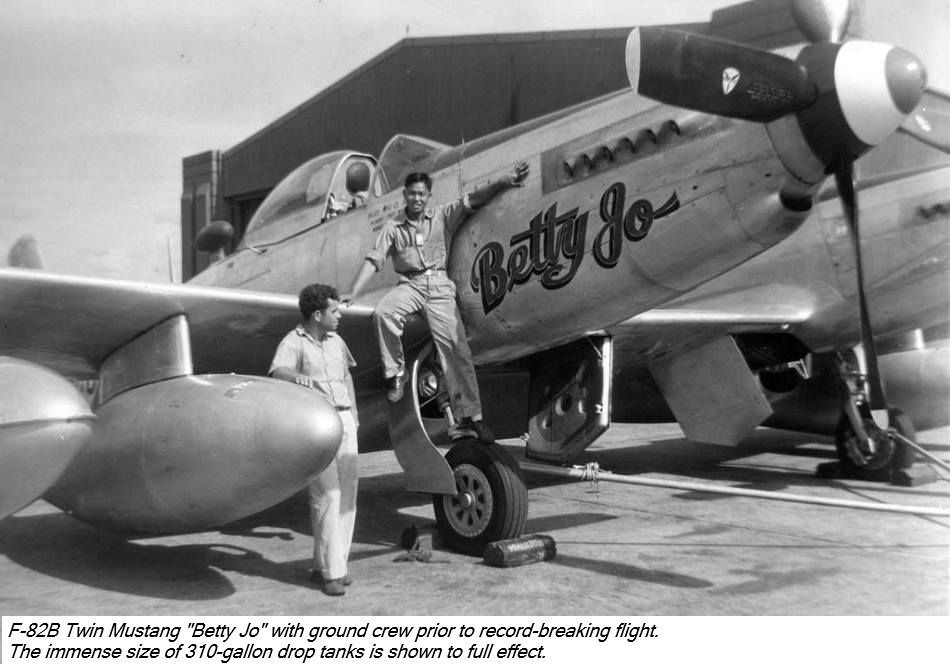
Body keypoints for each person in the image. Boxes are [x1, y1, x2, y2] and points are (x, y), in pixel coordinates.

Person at [343, 162, 529, 443]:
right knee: (384, 313)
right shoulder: (393, 227)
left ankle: (473, 417)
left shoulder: (443, 216)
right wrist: (353, 292)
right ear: (404, 195)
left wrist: (504, 180)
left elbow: (474, 199)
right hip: (410, 284)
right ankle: (396, 373)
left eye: (422, 194)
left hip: (439, 286)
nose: (416, 198)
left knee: (457, 350)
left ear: (428, 196)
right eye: (412, 194)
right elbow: (374, 259)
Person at [270, 283, 358, 596]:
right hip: (318, 424)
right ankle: (333, 574)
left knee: (347, 496)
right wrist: (299, 377)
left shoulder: (337, 341)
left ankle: (330, 565)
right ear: (317, 314)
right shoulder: (294, 341)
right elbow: (277, 371)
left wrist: (354, 417)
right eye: (334, 310)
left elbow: (346, 376)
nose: (339, 315)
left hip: (345, 419)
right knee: (327, 495)